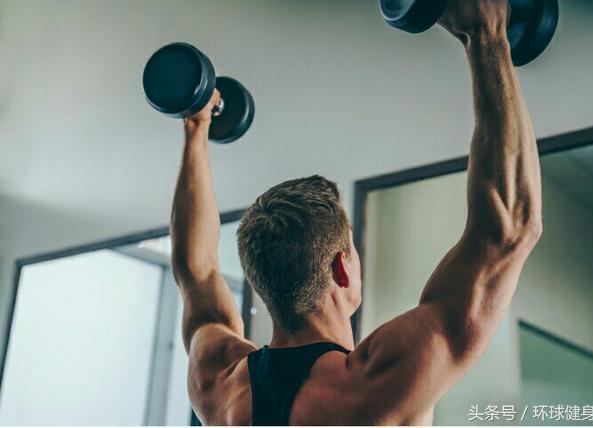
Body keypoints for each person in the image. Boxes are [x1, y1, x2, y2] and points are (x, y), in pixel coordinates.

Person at [169, 0, 542, 424]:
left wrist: (196, 125)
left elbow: (195, 270)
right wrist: (487, 37)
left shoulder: (219, 385)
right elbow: (509, 229)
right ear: (342, 268)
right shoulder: (377, 386)